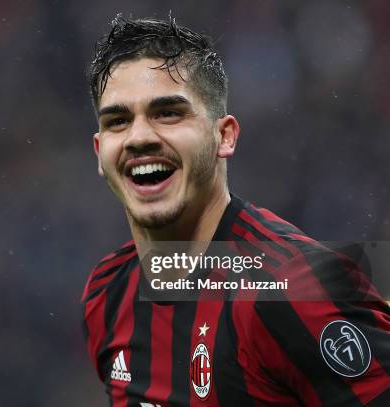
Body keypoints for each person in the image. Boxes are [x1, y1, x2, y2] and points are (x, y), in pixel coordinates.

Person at [81, 15, 390, 406]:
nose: (139, 137)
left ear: (223, 136)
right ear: (99, 152)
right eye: (118, 121)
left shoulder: (294, 289)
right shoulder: (107, 293)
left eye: (168, 113)